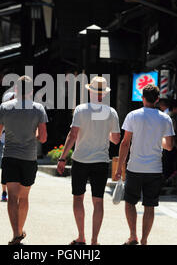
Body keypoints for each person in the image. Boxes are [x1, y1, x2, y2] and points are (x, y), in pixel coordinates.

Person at [57, 76, 121, 245]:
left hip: (80, 160)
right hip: (100, 161)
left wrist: (63, 158)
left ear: (91, 92)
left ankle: (81, 237)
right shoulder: (111, 112)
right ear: (104, 94)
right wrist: (104, 132)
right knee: (98, 201)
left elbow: (73, 135)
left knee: (78, 198)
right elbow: (116, 140)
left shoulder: (80, 110)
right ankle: (94, 240)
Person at [0, 76, 48, 245]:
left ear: (15, 90)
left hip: (10, 156)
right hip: (29, 158)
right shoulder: (38, 109)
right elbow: (43, 137)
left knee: (12, 196)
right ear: (31, 91)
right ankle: (20, 230)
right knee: (24, 197)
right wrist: (32, 134)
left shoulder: (5, 107)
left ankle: (16, 233)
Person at [115, 84, 174, 245]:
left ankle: (133, 235)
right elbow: (169, 146)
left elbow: (125, 143)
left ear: (142, 98)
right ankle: (144, 240)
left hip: (134, 167)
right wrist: (158, 139)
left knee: (130, 202)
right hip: (155, 169)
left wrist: (120, 167)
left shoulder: (133, 116)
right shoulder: (165, 118)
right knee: (150, 205)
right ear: (156, 100)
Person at [0, 91, 16, 202]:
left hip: (17, 142)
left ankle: (13, 191)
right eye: (12, 98)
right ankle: (4, 191)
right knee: (5, 168)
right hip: (4, 141)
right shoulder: (4, 110)